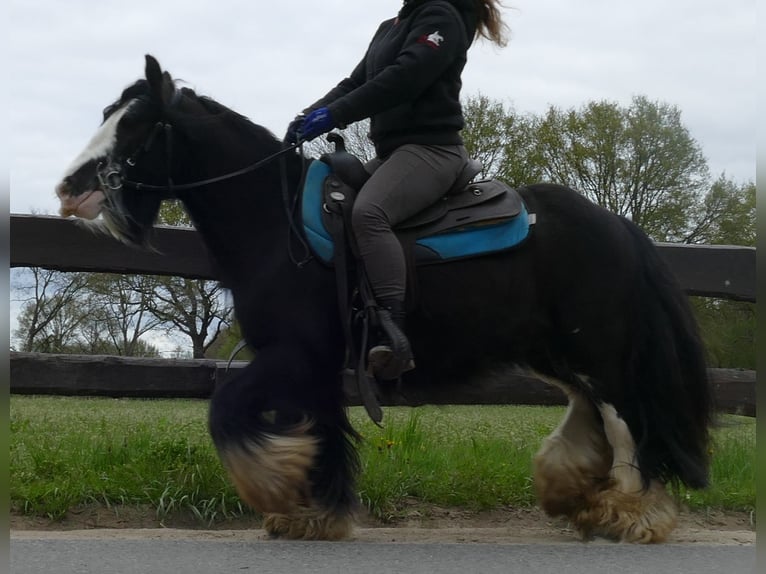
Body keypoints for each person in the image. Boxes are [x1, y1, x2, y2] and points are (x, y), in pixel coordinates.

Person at [286, 0, 508, 380]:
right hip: (391, 154)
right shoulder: (391, 25)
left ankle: (394, 333)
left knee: (369, 213)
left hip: (432, 149)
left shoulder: (442, 16)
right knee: (328, 204)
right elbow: (355, 83)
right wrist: (308, 115)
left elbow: (407, 75)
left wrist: (337, 115)